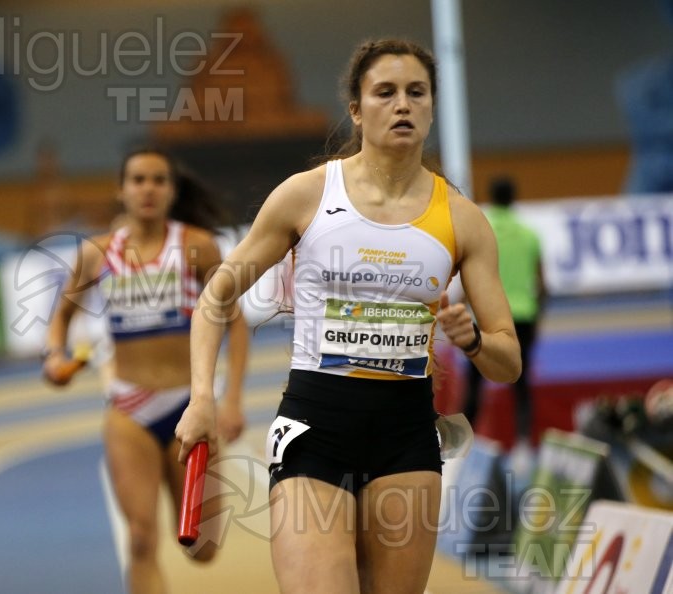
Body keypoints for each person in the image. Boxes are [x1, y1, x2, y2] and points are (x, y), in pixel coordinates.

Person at [176, 39, 521, 594]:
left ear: (432, 107)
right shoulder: (307, 195)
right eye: (385, 93)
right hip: (316, 432)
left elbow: (508, 363)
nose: (402, 105)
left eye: (416, 92)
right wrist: (201, 398)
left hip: (406, 439)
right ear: (358, 111)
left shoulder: (463, 220)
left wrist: (476, 340)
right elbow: (215, 298)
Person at [43, 147, 249, 594]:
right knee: (139, 538)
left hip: (189, 409)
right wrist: (55, 357)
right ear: (121, 189)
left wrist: (229, 399)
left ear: (172, 191)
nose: (148, 189)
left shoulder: (196, 246)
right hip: (128, 409)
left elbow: (235, 321)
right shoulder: (98, 253)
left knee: (204, 547)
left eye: (158, 180)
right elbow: (60, 318)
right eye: (138, 180)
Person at [463, 176, 544, 448]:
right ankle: (523, 442)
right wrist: (536, 318)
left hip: (484, 316)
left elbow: (470, 277)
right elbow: (543, 284)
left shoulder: (482, 230)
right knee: (520, 383)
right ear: (514, 198)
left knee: (474, 382)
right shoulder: (530, 234)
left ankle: (464, 446)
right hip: (523, 315)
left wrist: (463, 308)